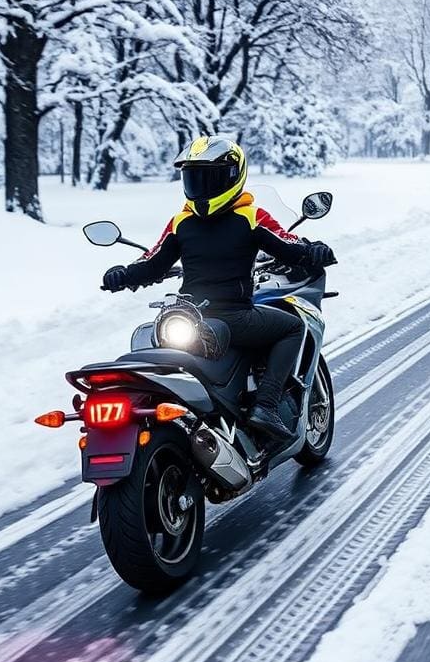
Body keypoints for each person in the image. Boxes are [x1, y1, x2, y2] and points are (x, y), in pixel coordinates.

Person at [101, 135, 336, 442]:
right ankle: (266, 406)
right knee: (293, 327)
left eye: (209, 177)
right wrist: (314, 250)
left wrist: (124, 275)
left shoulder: (180, 223)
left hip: (189, 318)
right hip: (235, 318)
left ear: (232, 177)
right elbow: (288, 246)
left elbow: (152, 264)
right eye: (194, 177)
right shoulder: (251, 217)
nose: (201, 186)